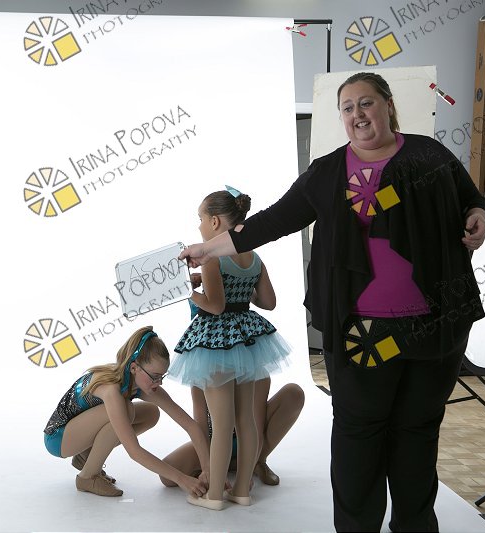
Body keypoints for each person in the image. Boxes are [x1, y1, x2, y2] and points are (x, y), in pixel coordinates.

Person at [179, 72, 485, 531]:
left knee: (418, 432)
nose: (357, 114)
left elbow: (470, 199)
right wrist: (206, 250)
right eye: (347, 107)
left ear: (387, 105)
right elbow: (270, 222)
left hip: (432, 328)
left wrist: (478, 216)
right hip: (363, 333)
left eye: (366, 102)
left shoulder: (428, 154)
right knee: (359, 436)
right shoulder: (328, 172)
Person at [167, 188, 292, 510]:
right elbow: (268, 302)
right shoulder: (254, 257)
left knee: (221, 425)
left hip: (216, 342)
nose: (198, 226)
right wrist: (241, 288)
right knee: (245, 420)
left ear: (214, 222)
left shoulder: (212, 257)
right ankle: (242, 491)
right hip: (247, 340)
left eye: (200, 219)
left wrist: (186, 291)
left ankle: (213, 497)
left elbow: (215, 306)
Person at [43, 326, 210, 498]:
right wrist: (182, 479)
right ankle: (87, 477)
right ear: (134, 368)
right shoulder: (111, 390)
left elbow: (190, 426)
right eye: (155, 376)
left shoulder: (141, 384)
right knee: (127, 410)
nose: (159, 382)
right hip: (58, 438)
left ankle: (85, 456)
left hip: (78, 431)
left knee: (151, 413)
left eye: (162, 376)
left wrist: (208, 469)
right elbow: (134, 451)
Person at [160, 377, 304, 487]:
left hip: (249, 442)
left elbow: (257, 431)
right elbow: (200, 430)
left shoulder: (257, 374)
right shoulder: (201, 377)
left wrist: (245, 476)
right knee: (167, 476)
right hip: (214, 444)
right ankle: (227, 465)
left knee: (293, 393)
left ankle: (256, 462)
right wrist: (208, 468)